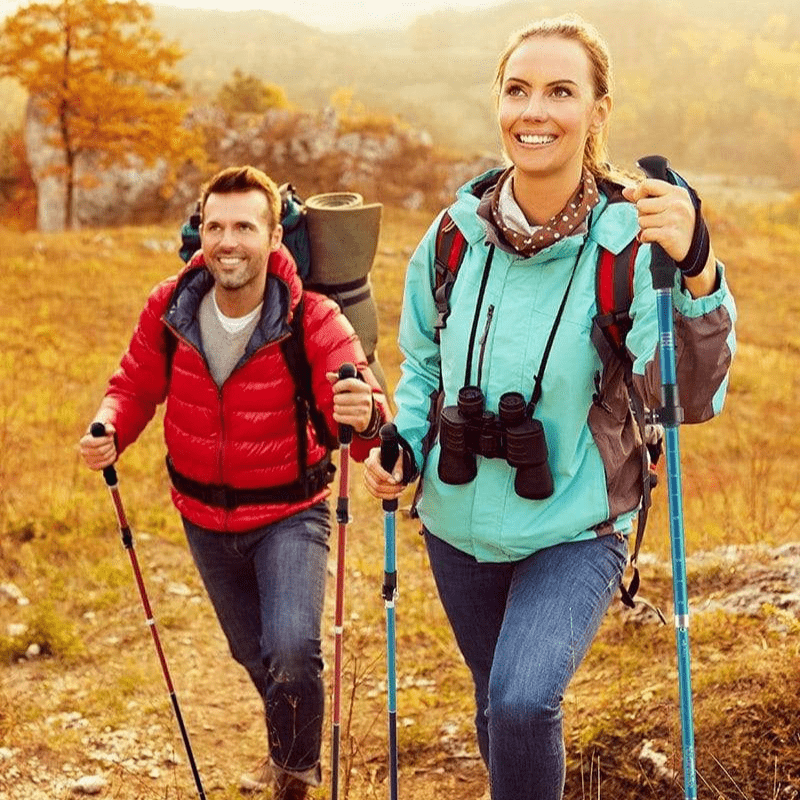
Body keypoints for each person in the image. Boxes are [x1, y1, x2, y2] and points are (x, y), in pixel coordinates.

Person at [363, 14, 735, 800]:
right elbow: (423, 364)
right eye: (518, 90)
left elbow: (682, 397)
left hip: (575, 525)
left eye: (561, 91)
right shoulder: (451, 237)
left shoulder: (631, 243)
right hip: (456, 524)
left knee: (524, 701)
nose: (535, 111)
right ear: (498, 102)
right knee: (495, 703)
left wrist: (697, 268)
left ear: (598, 111)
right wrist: (404, 441)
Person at [79, 166, 390, 800]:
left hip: (290, 513)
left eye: (244, 226)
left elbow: (357, 399)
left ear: (274, 236)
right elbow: (134, 384)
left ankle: (295, 778)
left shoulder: (313, 314)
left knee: (293, 651)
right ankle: (287, 749)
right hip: (201, 515)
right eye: (215, 226)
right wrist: (111, 424)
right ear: (199, 233)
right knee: (255, 656)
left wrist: (366, 418)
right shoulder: (170, 304)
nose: (228, 241)